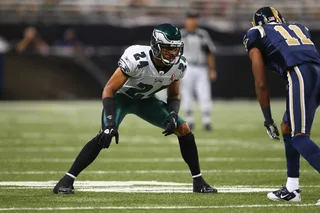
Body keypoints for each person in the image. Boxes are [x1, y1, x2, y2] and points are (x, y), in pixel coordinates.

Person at [53, 23, 217, 194]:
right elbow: (109, 89)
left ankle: (198, 182)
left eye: (175, 49)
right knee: (104, 135)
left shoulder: (179, 65)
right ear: (155, 46)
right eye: (167, 48)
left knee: (183, 129)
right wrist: (110, 123)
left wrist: (173, 114)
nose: (172, 53)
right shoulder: (136, 58)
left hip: (146, 101)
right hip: (121, 98)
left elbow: (174, 96)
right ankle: (66, 181)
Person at [243, 7, 320, 205]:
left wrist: (267, 118)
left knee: (299, 137)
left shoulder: (256, 33)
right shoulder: (299, 27)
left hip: (301, 74)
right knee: (288, 126)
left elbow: (260, 83)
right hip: (316, 71)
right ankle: (292, 188)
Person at [180, 10, 217, 131]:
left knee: (204, 93)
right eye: (190, 18)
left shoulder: (202, 34)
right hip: (186, 68)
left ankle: (207, 121)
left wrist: (212, 69)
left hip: (201, 67)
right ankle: (189, 120)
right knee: (186, 94)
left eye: (194, 18)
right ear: (186, 20)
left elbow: (210, 52)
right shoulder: (180, 35)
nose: (192, 21)